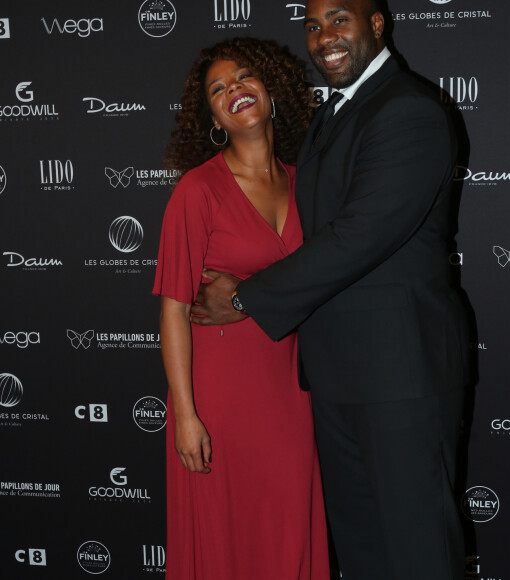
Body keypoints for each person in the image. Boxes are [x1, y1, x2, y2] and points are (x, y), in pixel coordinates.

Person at [191, 1, 473, 579]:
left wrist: (246, 297)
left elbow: (358, 237)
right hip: (335, 376)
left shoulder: (409, 110)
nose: (324, 39)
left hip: (399, 375)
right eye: (313, 27)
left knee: (416, 548)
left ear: (376, 23)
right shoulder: (333, 115)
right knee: (363, 548)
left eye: (340, 20)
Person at [153, 37, 330, 580]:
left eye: (244, 77)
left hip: (292, 395)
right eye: (219, 89)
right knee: (225, 539)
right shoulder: (197, 190)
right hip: (220, 400)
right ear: (212, 118)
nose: (235, 90)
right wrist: (186, 416)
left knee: (288, 533)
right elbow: (173, 311)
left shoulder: (310, 186)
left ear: (272, 92)